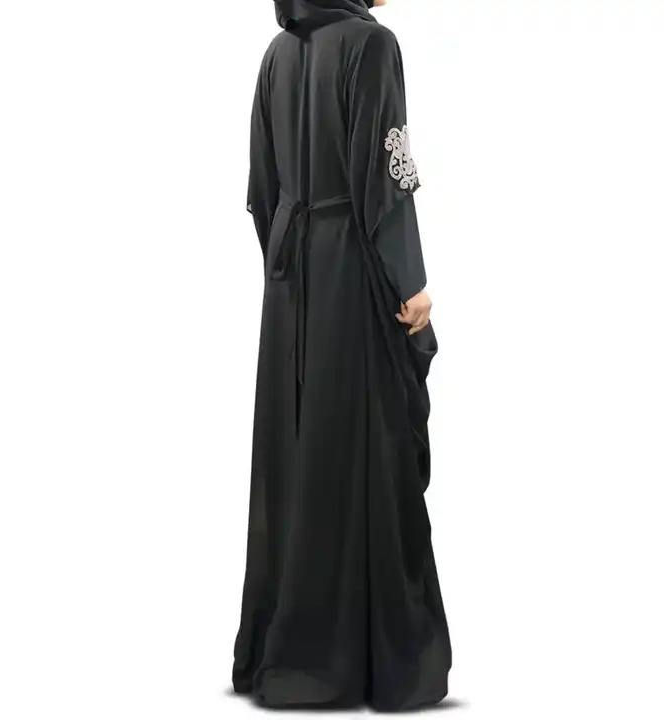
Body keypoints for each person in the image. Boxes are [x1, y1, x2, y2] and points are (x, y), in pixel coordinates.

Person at [232, 0, 451, 711]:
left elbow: (262, 189)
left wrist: (288, 269)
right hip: (351, 270)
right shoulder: (371, 46)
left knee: (300, 451)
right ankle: (363, 659)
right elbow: (387, 177)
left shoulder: (277, 55)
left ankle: (290, 646)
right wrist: (409, 281)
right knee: (366, 445)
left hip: (289, 280)